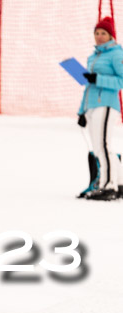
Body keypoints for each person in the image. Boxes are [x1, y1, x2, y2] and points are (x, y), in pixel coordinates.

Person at [77, 16, 123, 200]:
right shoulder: (93, 57)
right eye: (96, 33)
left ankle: (108, 185)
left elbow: (121, 80)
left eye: (103, 33)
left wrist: (98, 79)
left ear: (111, 35)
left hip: (107, 104)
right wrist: (82, 111)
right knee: (98, 148)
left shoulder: (116, 54)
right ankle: (118, 183)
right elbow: (88, 86)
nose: (99, 36)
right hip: (93, 106)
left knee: (103, 146)